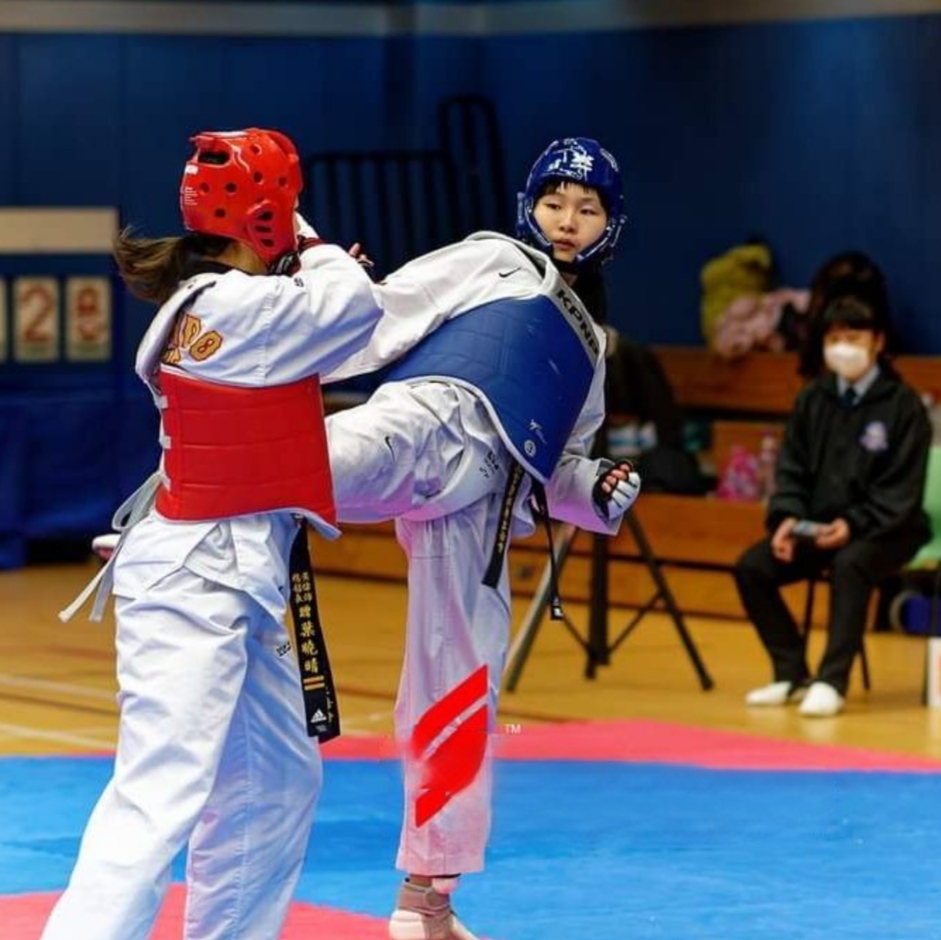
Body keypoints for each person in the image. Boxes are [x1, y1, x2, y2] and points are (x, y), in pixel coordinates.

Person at [41, 128, 381, 940]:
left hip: (231, 573)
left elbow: (344, 339)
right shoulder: (233, 305)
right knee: (160, 791)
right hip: (195, 578)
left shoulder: (231, 304)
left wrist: (300, 262)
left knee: (277, 780)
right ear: (269, 216)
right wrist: (311, 247)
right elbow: (356, 306)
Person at [322, 137, 640, 940]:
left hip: (483, 511)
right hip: (428, 422)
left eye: (586, 209)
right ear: (529, 207)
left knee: (461, 693)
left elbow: (557, 466)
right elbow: (385, 316)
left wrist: (594, 491)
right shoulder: (492, 259)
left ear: (609, 225)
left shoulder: (590, 350)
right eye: (554, 203)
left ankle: (425, 900)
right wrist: (321, 306)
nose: (566, 221)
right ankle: (168, 512)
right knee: (312, 460)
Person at [734, 295, 931, 718]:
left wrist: (854, 524)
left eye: (853, 338)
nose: (843, 348)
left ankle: (831, 680)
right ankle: (791, 672)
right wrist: (787, 518)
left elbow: (900, 488)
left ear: (878, 342)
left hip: (888, 529)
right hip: (818, 525)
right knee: (752, 567)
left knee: (851, 564)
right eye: (834, 338)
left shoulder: (903, 406)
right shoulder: (813, 399)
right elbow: (791, 468)